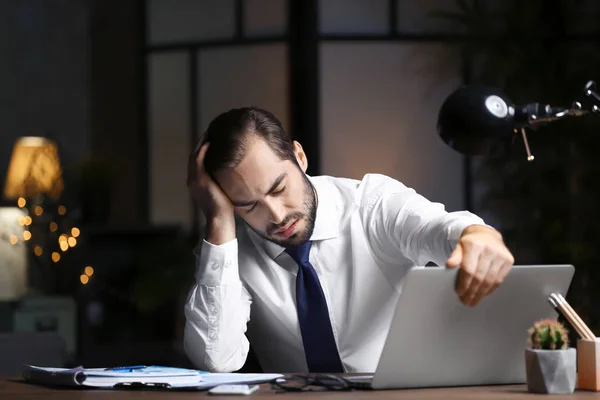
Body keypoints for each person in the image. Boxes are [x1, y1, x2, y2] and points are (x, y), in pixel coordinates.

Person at [184, 107, 514, 374]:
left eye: (279, 188)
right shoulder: (226, 250)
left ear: (299, 157)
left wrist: (475, 234)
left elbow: (436, 227)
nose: (274, 215)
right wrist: (219, 219)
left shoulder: (371, 204)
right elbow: (217, 360)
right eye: (248, 205)